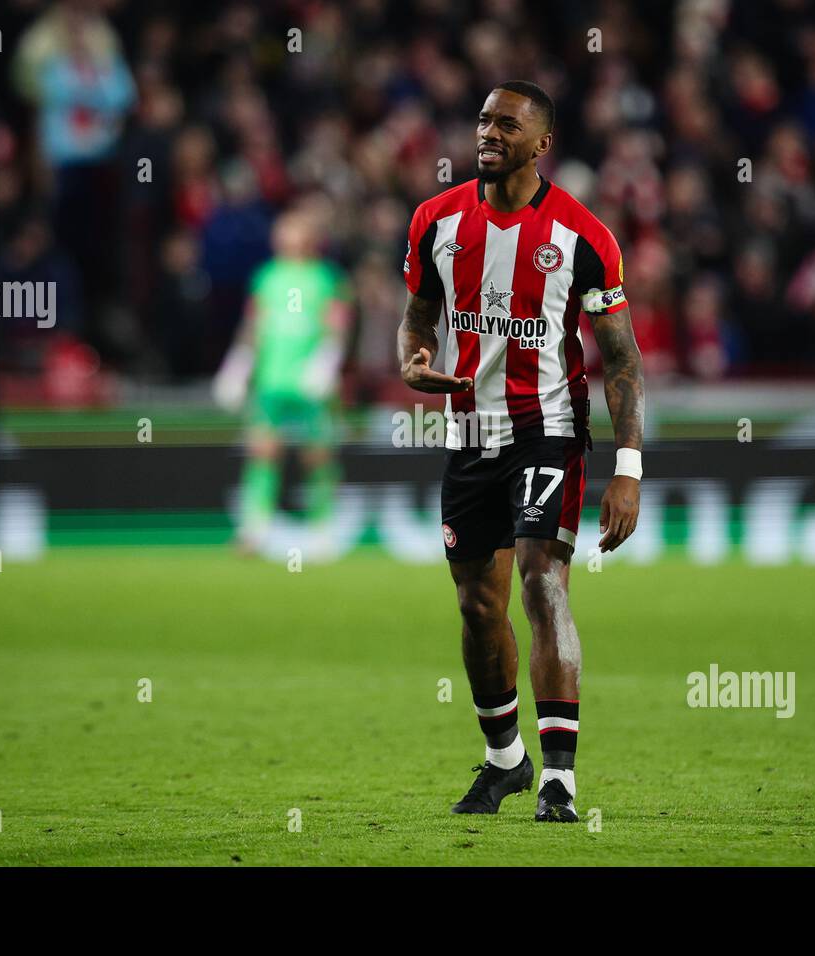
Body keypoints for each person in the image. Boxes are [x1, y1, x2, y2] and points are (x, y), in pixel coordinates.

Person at [396, 81, 644, 822]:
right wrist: (412, 359)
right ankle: (505, 760)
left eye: (508, 123)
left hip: (550, 428)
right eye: (483, 119)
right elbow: (418, 315)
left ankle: (560, 778)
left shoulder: (583, 238)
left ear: (542, 144)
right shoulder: (434, 221)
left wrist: (628, 471)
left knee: (542, 580)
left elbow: (623, 362)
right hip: (470, 432)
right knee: (477, 605)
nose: (489, 132)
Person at [214, 209, 352, 556]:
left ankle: (322, 531)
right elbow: (253, 327)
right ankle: (253, 531)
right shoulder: (267, 277)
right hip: (271, 381)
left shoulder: (327, 278)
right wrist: (237, 366)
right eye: (282, 231)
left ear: (310, 237)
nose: (286, 237)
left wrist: (325, 363)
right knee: (262, 453)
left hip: (310, 384)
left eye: (294, 230)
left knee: (318, 456)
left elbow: (338, 327)